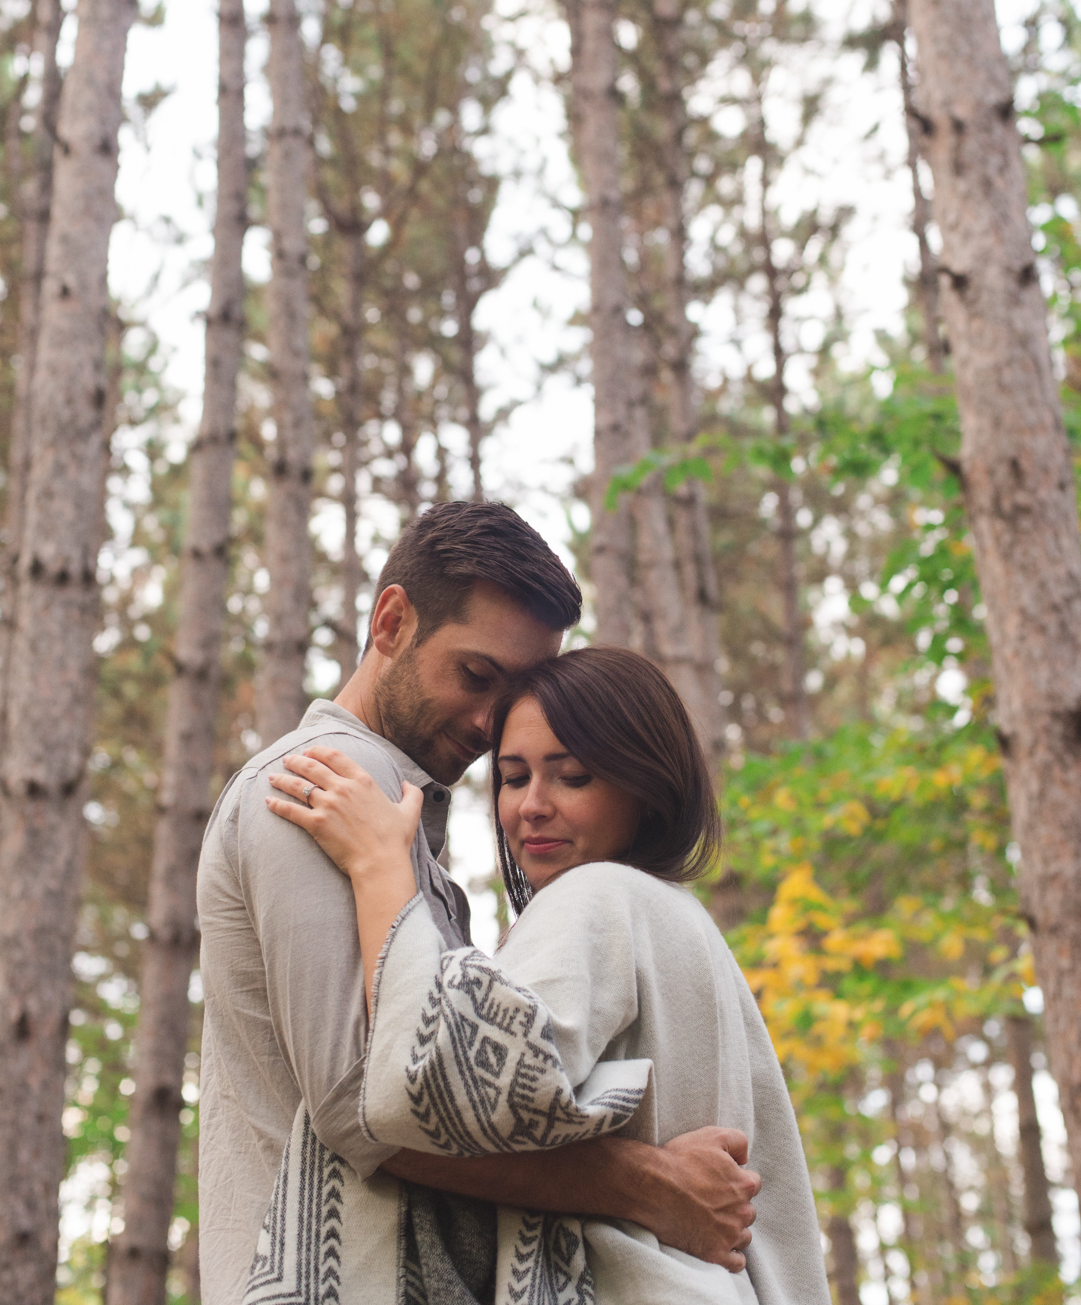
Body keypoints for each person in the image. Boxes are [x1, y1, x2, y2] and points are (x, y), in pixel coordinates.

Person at [196, 503, 761, 1305]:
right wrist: (647, 1182)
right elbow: (370, 1110)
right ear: (391, 620)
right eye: (476, 676)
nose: (492, 723)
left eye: (514, 691)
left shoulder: (395, 826)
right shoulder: (319, 787)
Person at [260, 646, 831, 1305]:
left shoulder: (597, 895)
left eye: (572, 777)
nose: (530, 806)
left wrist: (379, 865)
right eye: (512, 776)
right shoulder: (682, 923)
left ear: (643, 787)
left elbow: (433, 1085)